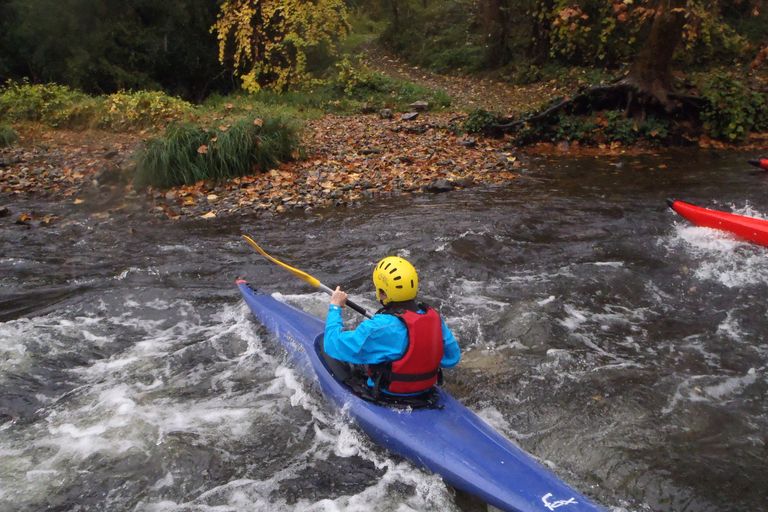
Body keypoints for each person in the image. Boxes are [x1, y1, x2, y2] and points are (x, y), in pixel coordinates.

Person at [323, 256, 461, 398]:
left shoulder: (377, 327)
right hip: (426, 393)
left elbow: (332, 344)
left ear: (382, 293)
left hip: (390, 396)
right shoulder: (435, 319)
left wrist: (335, 306)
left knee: (329, 348)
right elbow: (452, 359)